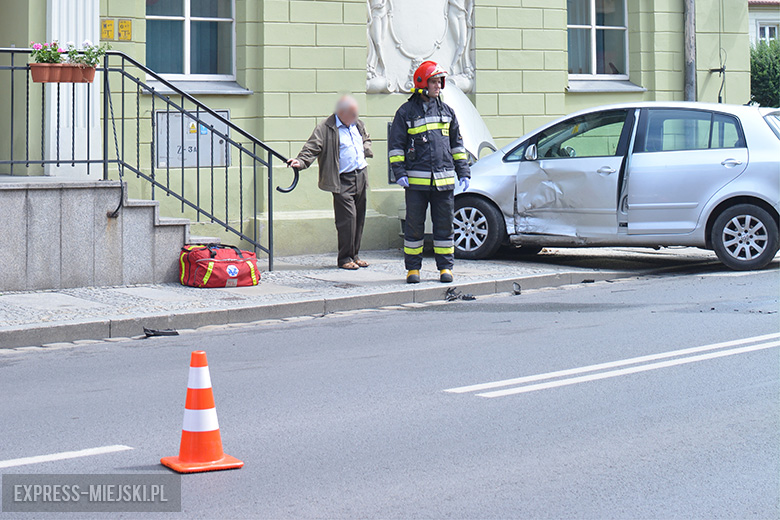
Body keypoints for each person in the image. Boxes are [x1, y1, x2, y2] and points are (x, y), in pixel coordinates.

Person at [388, 61, 470, 284]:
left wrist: (464, 172)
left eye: (439, 82)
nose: (438, 86)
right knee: (414, 229)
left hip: (443, 183)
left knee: (444, 227)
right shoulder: (405, 113)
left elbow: (457, 146)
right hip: (415, 184)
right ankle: (413, 270)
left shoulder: (447, 111)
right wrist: (399, 172)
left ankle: (445, 268)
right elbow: (395, 147)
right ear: (422, 84)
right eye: (434, 82)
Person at [287, 96, 373, 270]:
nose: (355, 115)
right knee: (347, 219)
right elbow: (312, 147)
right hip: (342, 179)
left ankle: (355, 255)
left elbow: (366, 138)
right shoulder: (326, 128)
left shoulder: (358, 124)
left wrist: (366, 149)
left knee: (359, 218)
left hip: (361, 175)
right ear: (341, 112)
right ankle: (344, 258)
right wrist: (300, 162)